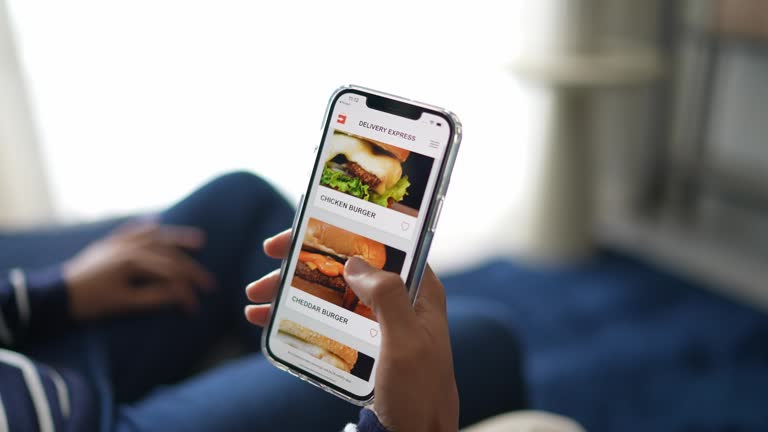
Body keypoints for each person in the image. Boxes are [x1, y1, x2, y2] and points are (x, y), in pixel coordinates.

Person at [0, 172, 526, 431]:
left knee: (240, 200)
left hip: (31, 362)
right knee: (479, 339)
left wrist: (47, 294)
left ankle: (300, 348)